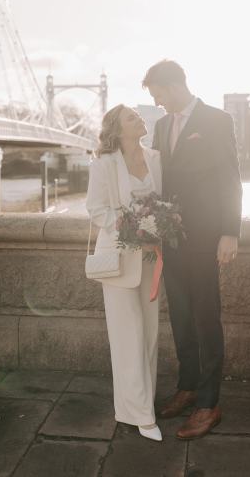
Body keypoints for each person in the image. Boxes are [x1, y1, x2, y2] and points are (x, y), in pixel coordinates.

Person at [143, 59, 243, 439]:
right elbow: (158, 179)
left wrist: (230, 232)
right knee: (181, 316)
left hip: (205, 237)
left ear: (172, 86)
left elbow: (230, 178)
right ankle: (187, 387)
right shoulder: (161, 125)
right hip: (170, 238)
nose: (157, 101)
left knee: (205, 317)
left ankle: (208, 403)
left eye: (157, 94)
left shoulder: (217, 120)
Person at [86, 104, 163, 442]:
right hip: (118, 257)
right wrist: (131, 230)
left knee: (150, 333)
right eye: (133, 117)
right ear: (117, 129)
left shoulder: (157, 158)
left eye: (139, 116)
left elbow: (165, 203)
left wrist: (160, 227)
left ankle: (142, 403)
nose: (140, 119)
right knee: (127, 335)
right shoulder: (103, 164)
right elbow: (96, 209)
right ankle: (141, 415)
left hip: (152, 258)